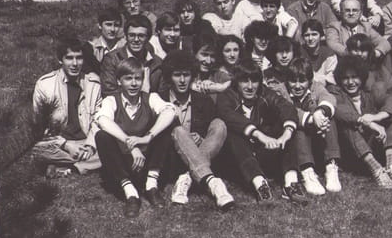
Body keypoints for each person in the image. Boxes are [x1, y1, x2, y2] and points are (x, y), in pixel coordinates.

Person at [216, 60, 308, 204]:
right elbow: (230, 117)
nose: (250, 86)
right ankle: (260, 184)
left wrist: (287, 133)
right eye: (244, 81)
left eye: (254, 81)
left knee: (287, 126)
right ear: (236, 82)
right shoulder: (226, 96)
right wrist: (260, 135)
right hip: (237, 160)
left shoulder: (264, 93)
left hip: (261, 153)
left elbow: (286, 107)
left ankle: (291, 182)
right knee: (233, 133)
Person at [94, 57, 176, 218]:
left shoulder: (150, 98)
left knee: (164, 129)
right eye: (128, 79)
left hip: (147, 161)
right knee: (102, 136)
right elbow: (102, 120)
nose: (133, 84)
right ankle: (130, 193)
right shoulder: (112, 100)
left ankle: (151, 185)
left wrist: (148, 137)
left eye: (138, 78)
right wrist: (129, 143)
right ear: (119, 81)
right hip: (123, 162)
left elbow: (170, 111)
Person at [159, 50, 235, 210]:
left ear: (192, 76)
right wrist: (182, 138)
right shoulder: (159, 99)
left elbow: (211, 135)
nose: (182, 80)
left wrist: (201, 139)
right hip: (173, 157)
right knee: (178, 131)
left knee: (219, 123)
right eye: (177, 75)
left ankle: (187, 177)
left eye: (186, 75)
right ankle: (213, 183)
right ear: (169, 77)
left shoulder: (203, 100)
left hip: (199, 152)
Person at [333, 55, 392, 190]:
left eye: (355, 77)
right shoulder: (336, 93)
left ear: (362, 78)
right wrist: (367, 122)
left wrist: (377, 117)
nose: (350, 82)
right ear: (340, 79)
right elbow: (338, 110)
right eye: (345, 78)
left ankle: (391, 166)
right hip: (351, 153)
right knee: (348, 125)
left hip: (372, 145)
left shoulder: (369, 94)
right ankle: (377, 169)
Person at [31, 35, 103, 178]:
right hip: (58, 143)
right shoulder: (45, 84)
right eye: (69, 58)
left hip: (85, 141)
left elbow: (98, 120)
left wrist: (90, 146)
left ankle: (66, 166)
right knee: (37, 150)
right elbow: (39, 126)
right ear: (60, 60)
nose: (75, 63)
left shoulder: (93, 83)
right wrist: (66, 144)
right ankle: (82, 164)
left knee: (113, 146)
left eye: (79, 58)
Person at [284, 58, 342, 195]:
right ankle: (307, 170)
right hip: (294, 144)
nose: (297, 86)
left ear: (310, 81)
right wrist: (311, 119)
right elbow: (287, 110)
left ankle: (331, 165)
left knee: (328, 118)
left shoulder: (316, 86)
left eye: (302, 81)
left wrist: (320, 113)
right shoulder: (282, 90)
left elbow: (329, 98)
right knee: (298, 127)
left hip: (318, 138)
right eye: (293, 81)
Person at [100, 14, 163, 96]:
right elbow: (109, 92)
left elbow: (162, 94)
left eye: (141, 36)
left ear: (148, 38)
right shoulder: (112, 59)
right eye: (132, 35)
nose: (136, 40)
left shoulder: (157, 63)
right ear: (126, 36)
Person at [325, 0, 391, 57]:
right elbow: (333, 45)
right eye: (347, 10)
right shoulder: (334, 27)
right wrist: (353, 54)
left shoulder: (365, 27)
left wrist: (374, 53)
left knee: (386, 56)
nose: (351, 13)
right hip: (344, 62)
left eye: (355, 10)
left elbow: (384, 43)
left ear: (360, 13)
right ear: (341, 12)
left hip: (364, 62)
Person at [345, 33, 392, 107]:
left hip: (377, 105)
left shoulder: (378, 69)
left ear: (368, 52)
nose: (359, 53)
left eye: (363, 50)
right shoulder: (344, 69)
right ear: (349, 51)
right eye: (355, 50)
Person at [190, 32, 230, 99]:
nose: (208, 61)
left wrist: (219, 87)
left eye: (212, 56)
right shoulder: (187, 74)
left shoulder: (218, 75)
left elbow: (235, 82)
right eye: (204, 55)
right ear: (194, 53)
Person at [300, 19, 337, 86]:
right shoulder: (299, 52)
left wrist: (313, 78)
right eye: (307, 35)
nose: (310, 38)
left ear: (321, 36)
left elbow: (331, 79)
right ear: (302, 37)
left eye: (314, 34)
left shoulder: (329, 54)